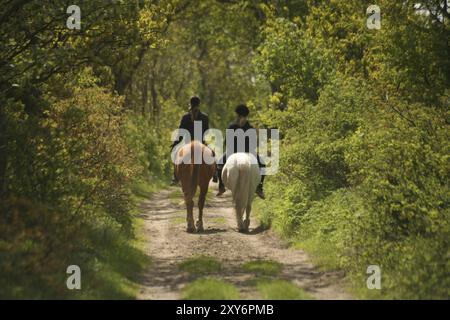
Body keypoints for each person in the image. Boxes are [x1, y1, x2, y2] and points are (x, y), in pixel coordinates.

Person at [216, 104, 265, 199]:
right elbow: (254, 144)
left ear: (238, 115)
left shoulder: (232, 126)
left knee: (219, 164)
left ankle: (221, 186)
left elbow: (227, 142)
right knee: (262, 165)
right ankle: (259, 188)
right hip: (249, 153)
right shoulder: (250, 128)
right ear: (246, 116)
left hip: (232, 152)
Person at [170, 96, 210, 185]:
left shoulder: (185, 116)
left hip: (187, 143)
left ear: (190, 104)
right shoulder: (204, 117)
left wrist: (175, 143)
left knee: (176, 153)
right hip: (201, 143)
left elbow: (181, 132)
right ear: (199, 104)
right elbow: (207, 132)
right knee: (212, 155)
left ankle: (175, 177)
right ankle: (213, 174)